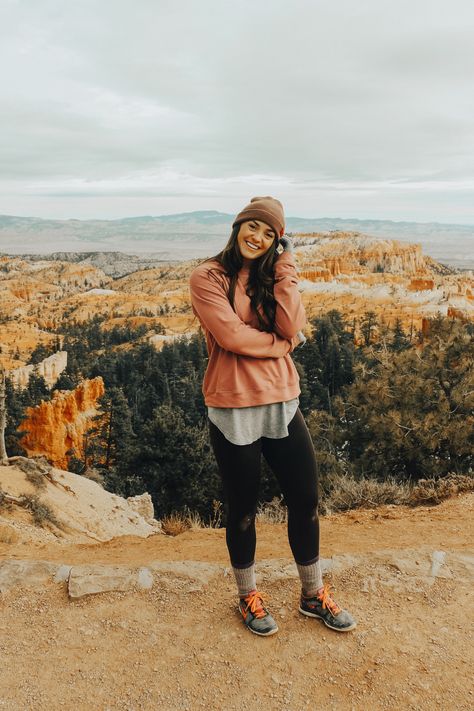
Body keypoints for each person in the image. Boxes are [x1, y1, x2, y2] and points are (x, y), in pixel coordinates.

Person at [189, 196, 356, 637]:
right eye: (253, 227)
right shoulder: (209, 276)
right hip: (233, 406)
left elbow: (292, 321)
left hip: (283, 402)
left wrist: (286, 268)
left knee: (305, 501)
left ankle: (311, 594)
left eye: (269, 234)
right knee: (242, 510)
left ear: (276, 242)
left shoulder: (272, 275)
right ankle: (247, 596)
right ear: (238, 226)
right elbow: (231, 335)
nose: (258, 238)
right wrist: (282, 346)